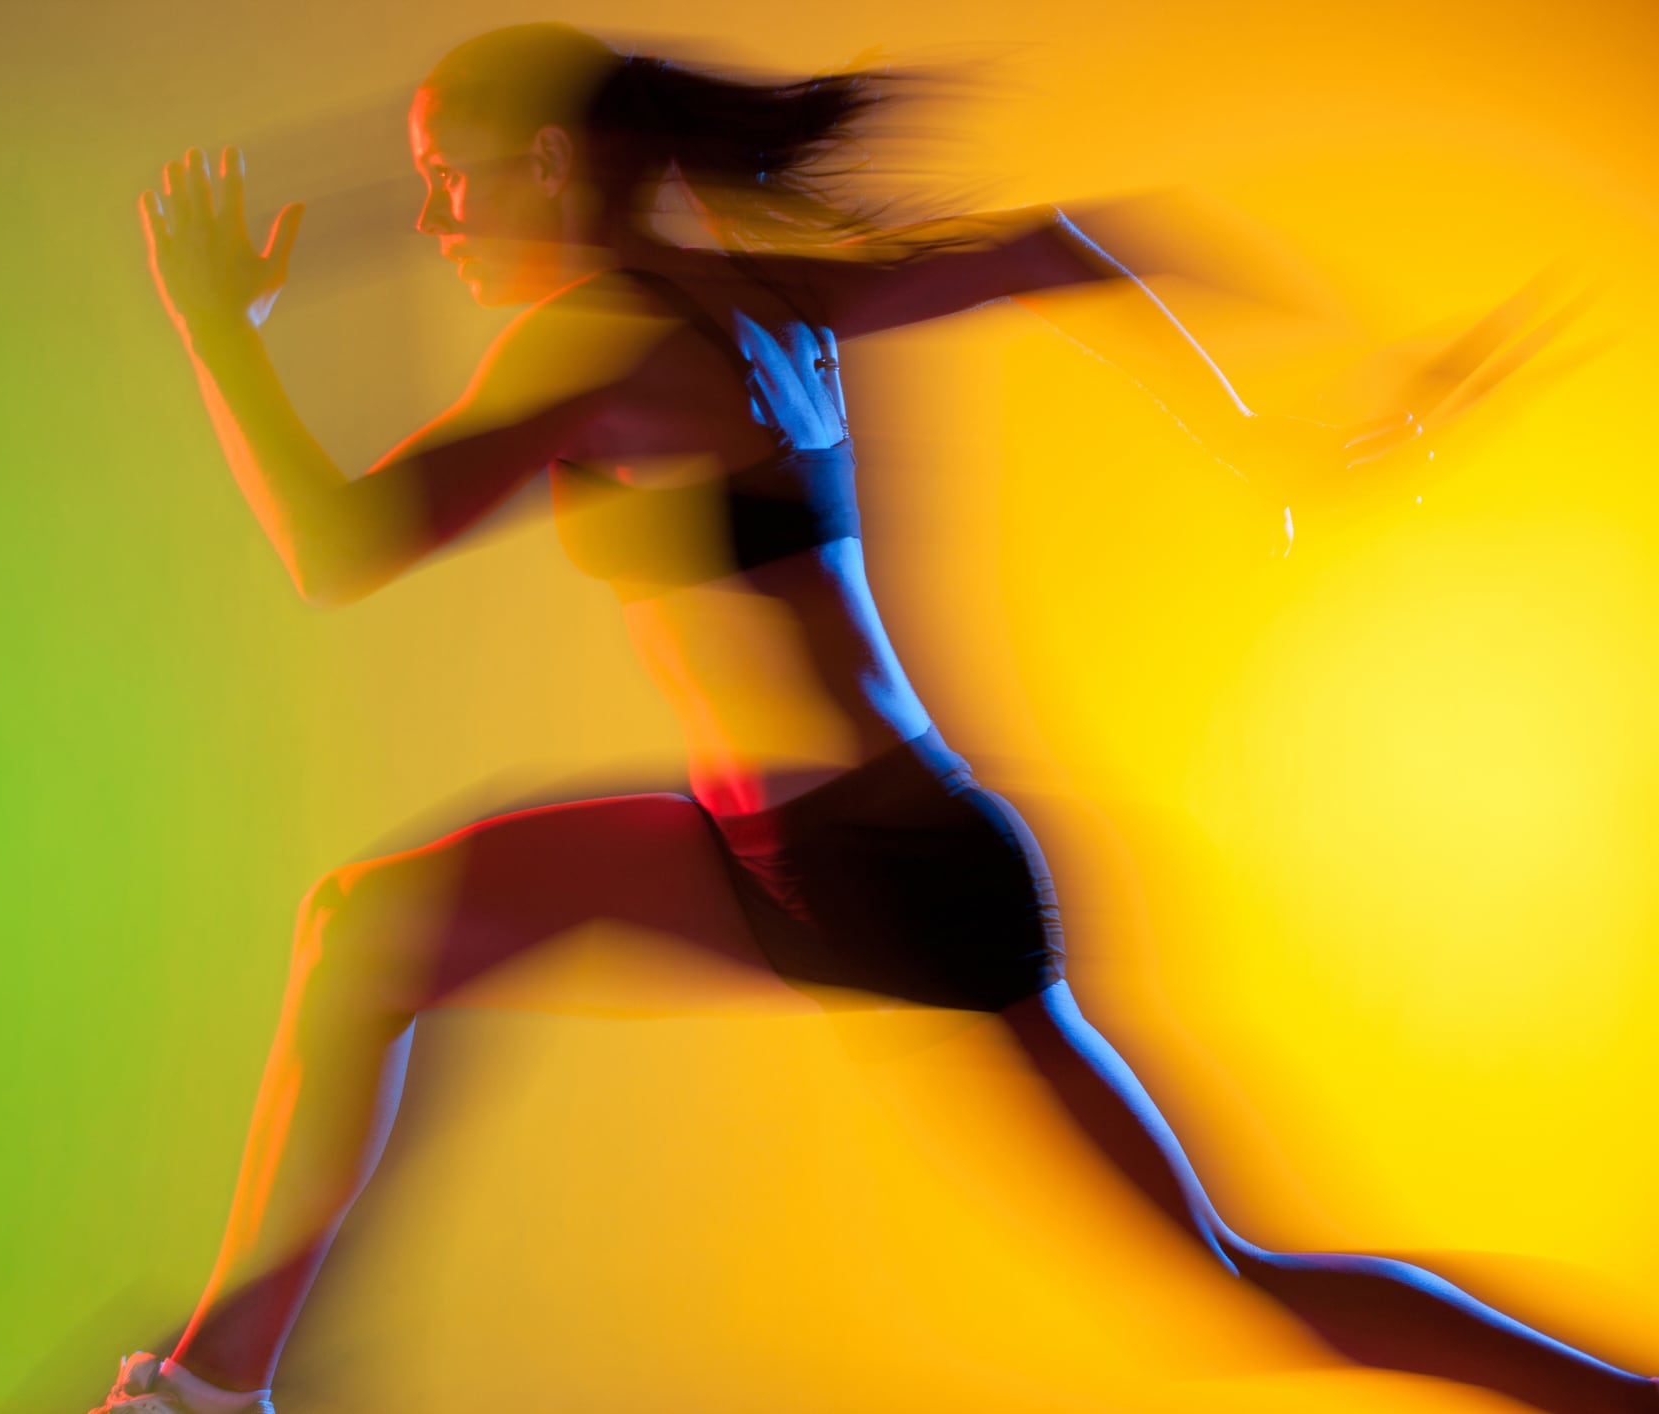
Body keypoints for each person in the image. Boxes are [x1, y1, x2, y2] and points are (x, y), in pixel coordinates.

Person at [96, 23, 1655, 1414]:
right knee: (368, 930)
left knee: (1242, 1287)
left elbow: (340, 548)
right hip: (779, 848)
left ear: (550, 164)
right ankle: (214, 1386)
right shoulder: (754, 299)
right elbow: (1056, 245)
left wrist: (219, 327)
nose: (432, 219)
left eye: (449, 178)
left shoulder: (606, 338)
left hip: (890, 871)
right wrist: (1257, 433)